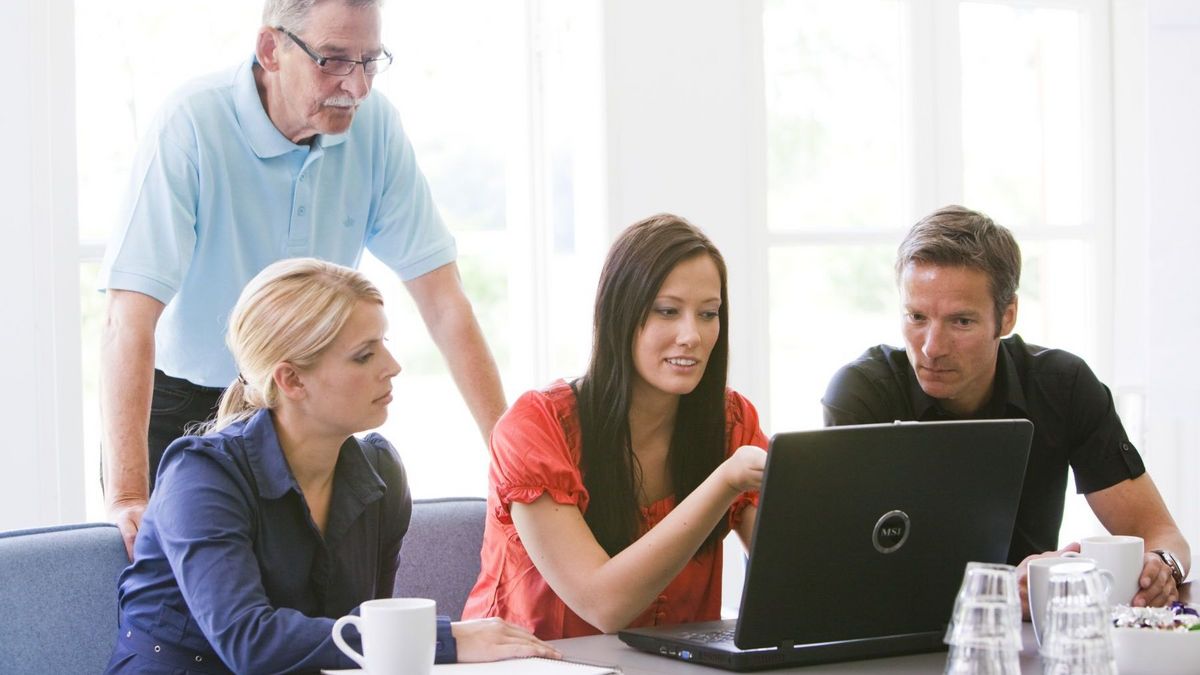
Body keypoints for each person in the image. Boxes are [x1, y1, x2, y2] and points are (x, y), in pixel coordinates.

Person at [99, 0, 506, 559]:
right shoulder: (192, 122)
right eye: (334, 60)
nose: (356, 87)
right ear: (271, 49)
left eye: (370, 60)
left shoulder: (375, 126)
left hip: (300, 405)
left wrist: (510, 457)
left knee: (304, 603)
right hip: (184, 409)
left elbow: (444, 303)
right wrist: (126, 492)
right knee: (189, 622)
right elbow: (128, 318)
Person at [104, 259, 555, 673]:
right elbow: (249, 641)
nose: (393, 366)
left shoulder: (380, 472)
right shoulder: (201, 475)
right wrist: (445, 639)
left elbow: (364, 633)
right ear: (292, 379)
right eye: (365, 354)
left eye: (385, 344)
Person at [821, 205, 1191, 614]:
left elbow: (1163, 535)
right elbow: (848, 576)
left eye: (961, 322)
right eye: (917, 317)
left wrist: (1162, 567)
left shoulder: (1062, 385)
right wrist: (998, 592)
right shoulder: (863, 394)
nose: (931, 347)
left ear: (1007, 315)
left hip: (1030, 644)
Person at [461, 214, 768, 639]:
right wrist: (726, 481)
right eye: (667, 311)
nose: (692, 335)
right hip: (533, 665)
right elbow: (603, 606)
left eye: (708, 314)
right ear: (618, 315)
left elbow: (793, 580)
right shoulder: (535, 427)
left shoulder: (732, 421)